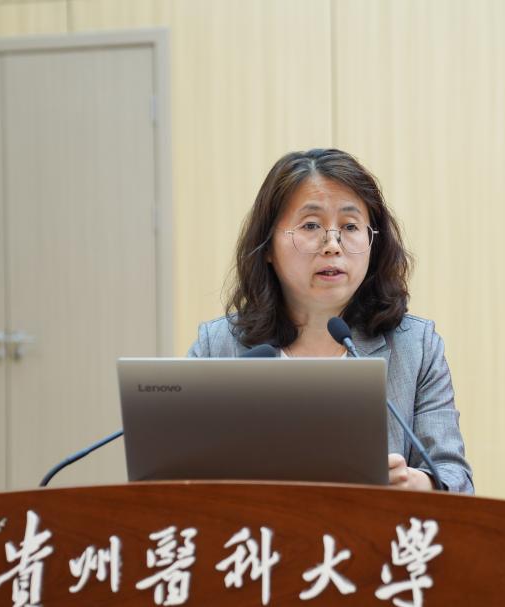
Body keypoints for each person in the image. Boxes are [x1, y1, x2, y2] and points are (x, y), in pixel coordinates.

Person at [187, 148, 473, 494]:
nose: (333, 245)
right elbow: (178, 476)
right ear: (268, 246)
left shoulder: (415, 347)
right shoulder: (219, 346)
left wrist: (418, 484)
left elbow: (456, 479)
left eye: (350, 226)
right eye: (311, 225)